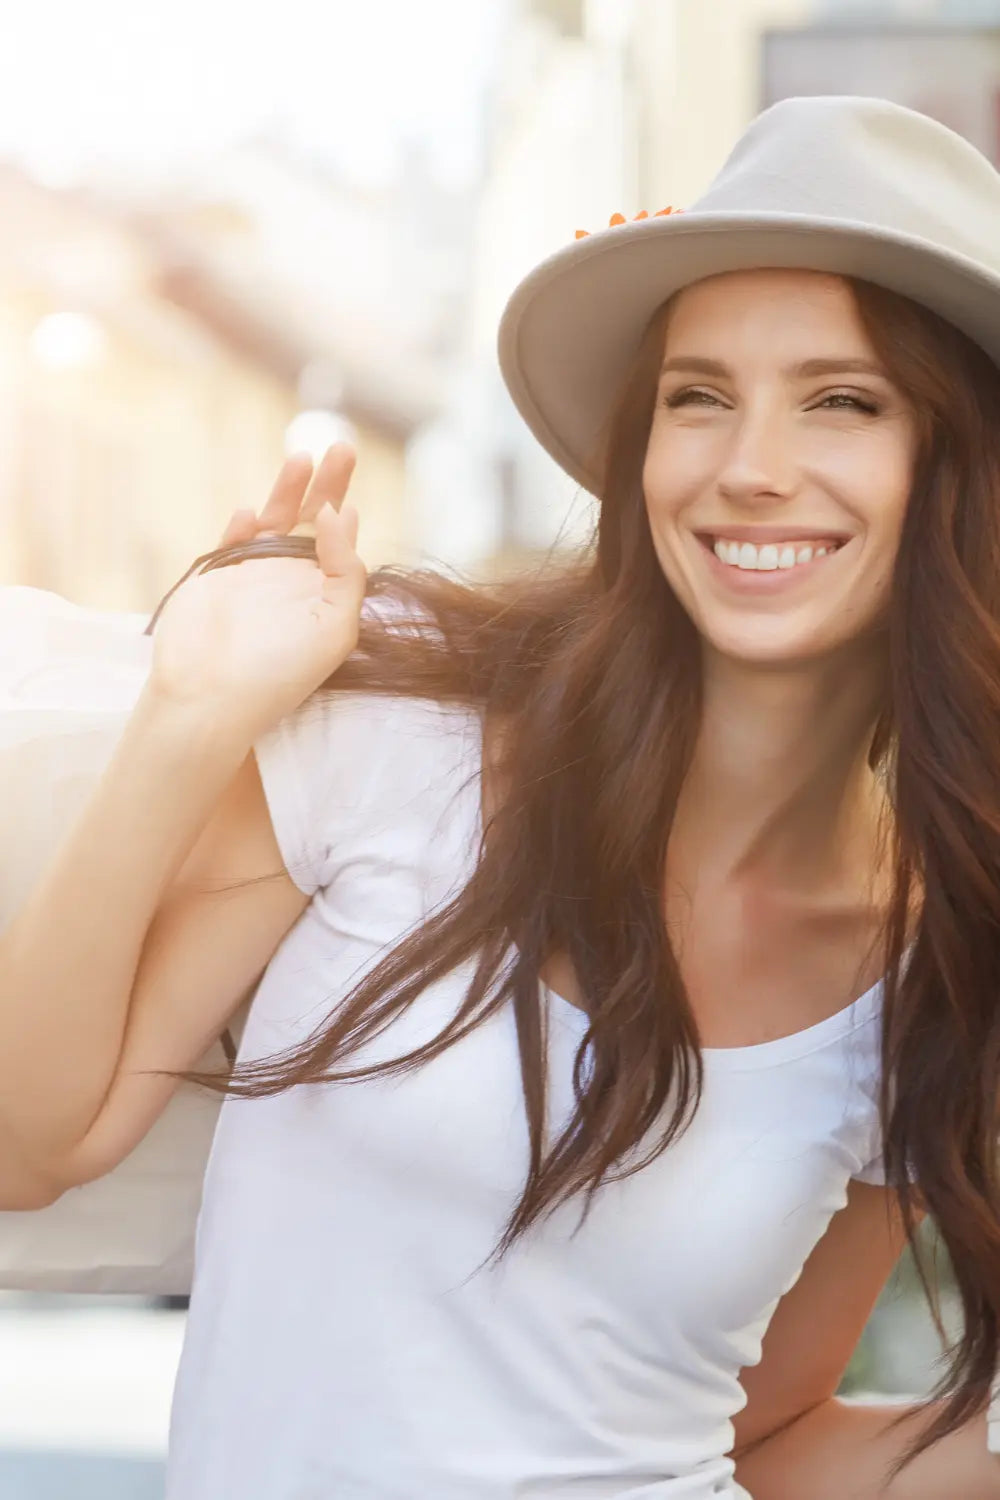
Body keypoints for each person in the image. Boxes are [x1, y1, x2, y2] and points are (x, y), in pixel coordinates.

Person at [1, 93, 999, 1500]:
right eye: (697, 395)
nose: (749, 466)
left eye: (843, 400)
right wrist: (188, 716)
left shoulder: (930, 968)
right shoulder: (402, 734)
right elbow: (31, 1142)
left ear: (962, 470)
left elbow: (765, 1439)